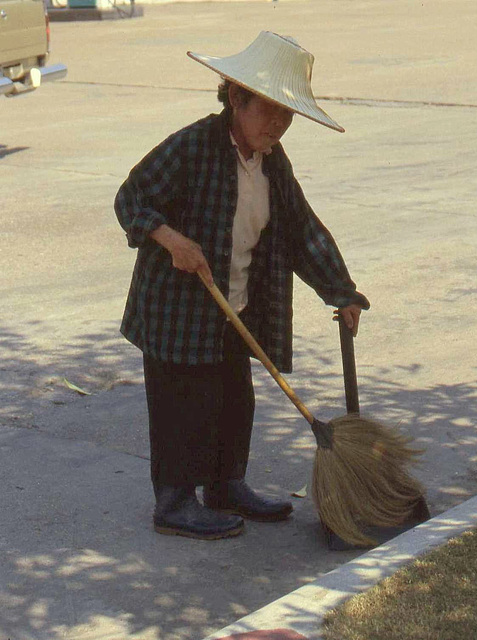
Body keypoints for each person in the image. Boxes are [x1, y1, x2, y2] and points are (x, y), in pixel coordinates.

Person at [114, 31, 369, 540]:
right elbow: (130, 200)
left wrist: (341, 291)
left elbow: (301, 229)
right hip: (176, 311)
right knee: (182, 404)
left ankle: (226, 486)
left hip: (235, 305)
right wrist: (169, 238)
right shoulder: (192, 147)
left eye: (287, 115)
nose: (278, 125)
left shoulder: (272, 160)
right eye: (269, 110)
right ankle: (175, 502)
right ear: (236, 97)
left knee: (233, 399)